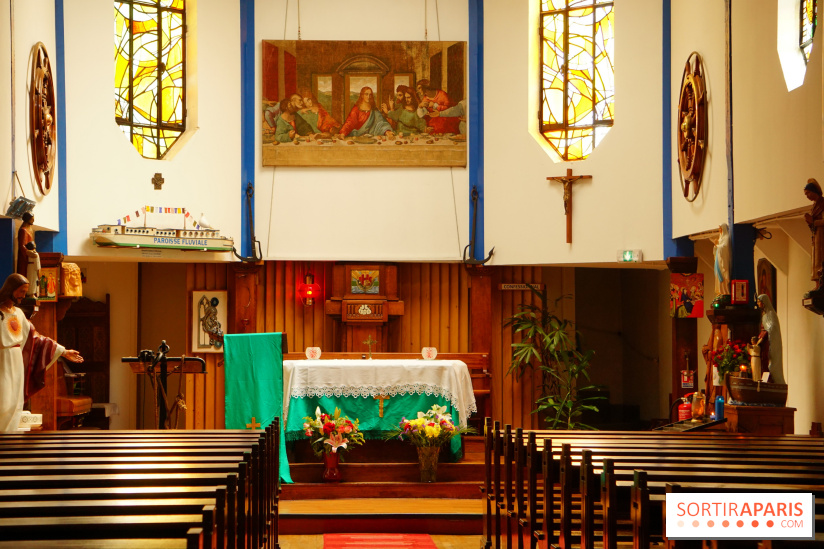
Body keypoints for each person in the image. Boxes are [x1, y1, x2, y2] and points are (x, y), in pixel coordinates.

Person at [0, 273, 84, 432]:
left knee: (13, 403)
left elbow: (35, 338)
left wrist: (63, 351)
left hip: (16, 363)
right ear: (11, 289)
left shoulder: (18, 313)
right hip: (2, 362)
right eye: (21, 291)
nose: (23, 296)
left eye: (25, 292)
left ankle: (7, 441)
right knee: (3, 402)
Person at [757, 293, 785, 385]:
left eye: (759, 302)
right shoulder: (764, 315)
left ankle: (778, 383)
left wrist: (765, 332)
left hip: (772, 342)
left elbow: (772, 328)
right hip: (765, 342)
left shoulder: (771, 314)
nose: (758, 303)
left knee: (773, 365)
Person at [803, 178, 824, 290]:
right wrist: (809, 222)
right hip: (816, 236)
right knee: (815, 261)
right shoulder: (814, 206)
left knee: (821, 260)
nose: (807, 196)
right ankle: (817, 284)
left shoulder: (822, 204)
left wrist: (813, 222)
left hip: (822, 236)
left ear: (814, 191)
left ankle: (821, 284)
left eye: (808, 193)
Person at [710, 223, 731, 297]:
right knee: (717, 274)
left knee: (722, 274)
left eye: (720, 228)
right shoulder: (721, 238)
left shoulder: (726, 237)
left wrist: (717, 245)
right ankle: (720, 290)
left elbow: (724, 247)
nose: (719, 230)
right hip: (718, 259)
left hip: (722, 259)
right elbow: (718, 247)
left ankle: (725, 291)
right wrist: (716, 246)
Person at [16, 212, 35, 278]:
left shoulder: (29, 230)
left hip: (29, 257)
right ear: (27, 219)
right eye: (32, 219)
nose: (33, 220)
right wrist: (28, 252)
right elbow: (22, 245)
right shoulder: (23, 230)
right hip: (24, 258)